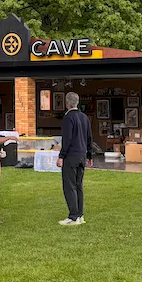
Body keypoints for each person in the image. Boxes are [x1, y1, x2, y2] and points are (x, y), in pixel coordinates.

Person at [57, 91, 93, 226]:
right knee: (79, 186)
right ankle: (80, 215)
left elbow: (67, 139)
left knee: (69, 186)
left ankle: (73, 216)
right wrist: (89, 155)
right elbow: (90, 138)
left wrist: (61, 156)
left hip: (71, 156)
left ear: (67, 103)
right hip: (82, 156)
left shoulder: (68, 118)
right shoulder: (84, 117)